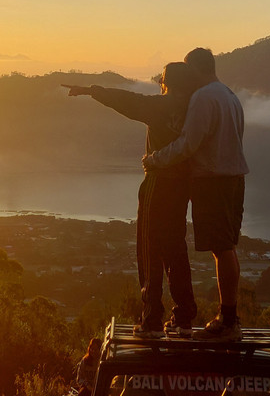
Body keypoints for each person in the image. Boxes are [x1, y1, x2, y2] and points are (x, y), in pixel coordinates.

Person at [65, 62, 199, 339]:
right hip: (182, 186)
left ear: (167, 82)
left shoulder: (162, 105)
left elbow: (127, 101)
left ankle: (151, 319)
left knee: (149, 247)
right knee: (176, 247)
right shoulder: (194, 109)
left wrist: (92, 91)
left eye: (161, 80)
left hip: (157, 181)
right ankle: (184, 316)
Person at [143, 47, 248, 341]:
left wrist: (155, 159)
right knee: (226, 246)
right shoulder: (229, 95)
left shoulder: (203, 98)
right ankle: (229, 316)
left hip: (214, 179)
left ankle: (228, 322)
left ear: (195, 69)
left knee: (221, 247)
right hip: (234, 177)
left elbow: (189, 142)